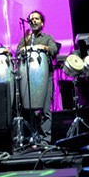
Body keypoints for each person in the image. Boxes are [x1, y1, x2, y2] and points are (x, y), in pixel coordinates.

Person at [15, 10, 59, 142]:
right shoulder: (26, 39)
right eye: (31, 19)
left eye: (36, 19)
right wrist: (26, 43)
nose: (33, 21)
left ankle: (46, 139)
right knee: (29, 109)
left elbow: (54, 50)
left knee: (45, 109)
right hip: (28, 78)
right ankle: (33, 137)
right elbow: (17, 53)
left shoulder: (47, 38)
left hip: (45, 77)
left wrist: (43, 47)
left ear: (42, 22)